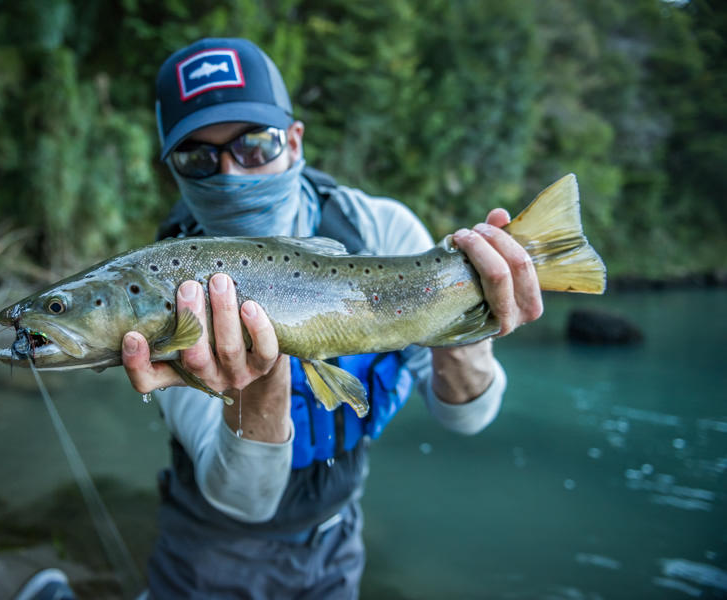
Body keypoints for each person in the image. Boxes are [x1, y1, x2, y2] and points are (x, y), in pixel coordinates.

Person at [120, 38, 543, 599]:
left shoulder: (382, 232)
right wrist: (261, 381)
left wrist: (464, 326)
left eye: (254, 145)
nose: (231, 174)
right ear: (174, 171)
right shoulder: (165, 295)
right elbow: (244, 499)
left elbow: (468, 418)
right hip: (206, 548)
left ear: (294, 142)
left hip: (337, 542)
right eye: (199, 159)